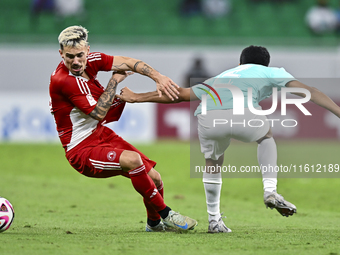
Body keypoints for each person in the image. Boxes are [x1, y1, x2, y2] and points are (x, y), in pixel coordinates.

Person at [117, 45, 340, 233]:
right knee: (266, 137)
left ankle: (214, 221)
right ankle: (270, 190)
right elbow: (309, 91)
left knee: (213, 163)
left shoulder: (223, 75)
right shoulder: (270, 72)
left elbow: (181, 95)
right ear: (266, 64)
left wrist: (137, 97)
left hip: (208, 118)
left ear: (240, 62)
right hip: (243, 113)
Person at [49, 25, 197, 232]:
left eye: (80, 55)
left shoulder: (91, 61)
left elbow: (129, 62)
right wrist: (114, 82)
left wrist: (159, 77)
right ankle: (167, 214)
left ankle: (153, 224)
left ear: (87, 51)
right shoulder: (63, 80)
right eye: (69, 56)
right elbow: (99, 112)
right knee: (133, 160)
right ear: (61, 54)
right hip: (81, 149)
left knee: (155, 178)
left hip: (100, 134)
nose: (75, 61)